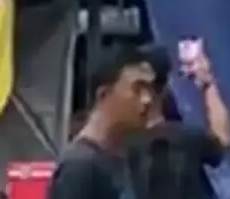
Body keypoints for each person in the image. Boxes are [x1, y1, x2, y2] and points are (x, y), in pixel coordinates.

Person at [126, 43, 230, 199]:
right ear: (165, 88)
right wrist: (206, 81)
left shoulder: (123, 144)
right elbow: (224, 140)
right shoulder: (187, 140)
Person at [48, 44, 156, 199]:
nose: (147, 100)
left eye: (149, 90)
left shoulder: (119, 161)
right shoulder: (79, 167)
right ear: (104, 95)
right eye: (137, 89)